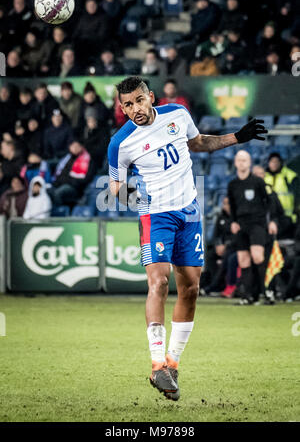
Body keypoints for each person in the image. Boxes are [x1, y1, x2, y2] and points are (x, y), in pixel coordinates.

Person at [107, 76, 267, 400]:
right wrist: (135, 200)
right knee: (159, 282)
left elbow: (198, 143)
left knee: (191, 288)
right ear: (122, 108)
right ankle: (156, 365)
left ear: (150, 97)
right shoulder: (120, 144)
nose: (135, 109)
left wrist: (237, 137)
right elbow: (115, 189)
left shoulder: (177, 114)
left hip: (190, 212)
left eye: (139, 100)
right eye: (127, 105)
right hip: (156, 216)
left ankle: (172, 363)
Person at [228, 150, 278, 305]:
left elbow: (270, 202)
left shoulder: (258, 182)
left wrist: (272, 221)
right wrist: (233, 222)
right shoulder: (232, 184)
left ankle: (268, 292)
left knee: (258, 257)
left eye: (244, 160)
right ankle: (248, 295)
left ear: (249, 162)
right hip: (241, 225)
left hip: (257, 223)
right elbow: (232, 206)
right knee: (243, 260)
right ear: (235, 162)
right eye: (239, 160)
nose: (242, 163)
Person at [48, 139, 96, 207]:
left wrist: (69, 181)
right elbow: (62, 175)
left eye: (77, 146)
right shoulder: (68, 159)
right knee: (47, 191)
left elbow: (86, 179)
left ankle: (59, 213)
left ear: (81, 147)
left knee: (58, 192)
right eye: (73, 146)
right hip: (65, 184)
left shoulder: (88, 160)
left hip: (77, 189)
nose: (74, 148)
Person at [264, 152, 300, 230]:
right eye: (272, 161)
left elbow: (297, 192)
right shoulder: (265, 177)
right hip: (270, 218)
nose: (274, 164)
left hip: (287, 217)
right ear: (268, 163)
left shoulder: (288, 175)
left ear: (280, 162)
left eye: (277, 161)